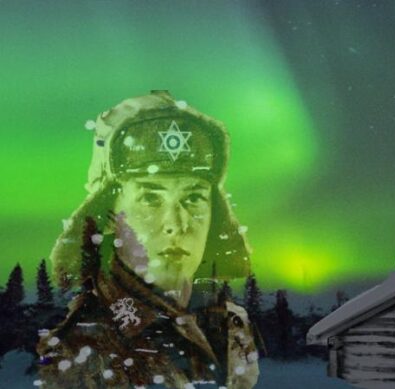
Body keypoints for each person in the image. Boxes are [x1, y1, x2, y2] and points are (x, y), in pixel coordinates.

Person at [37, 91, 259, 388]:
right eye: (151, 198)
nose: (176, 224)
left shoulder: (232, 324)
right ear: (109, 217)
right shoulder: (79, 351)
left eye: (193, 198)